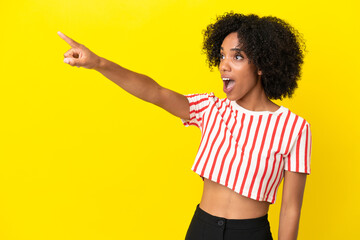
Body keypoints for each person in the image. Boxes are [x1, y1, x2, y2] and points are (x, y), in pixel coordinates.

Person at [58, 12, 311, 240]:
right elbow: (156, 92)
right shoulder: (211, 109)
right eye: (222, 55)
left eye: (237, 56)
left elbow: (290, 208)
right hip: (202, 229)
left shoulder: (294, 128)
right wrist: (98, 63)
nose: (224, 64)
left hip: (251, 233)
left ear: (262, 65)